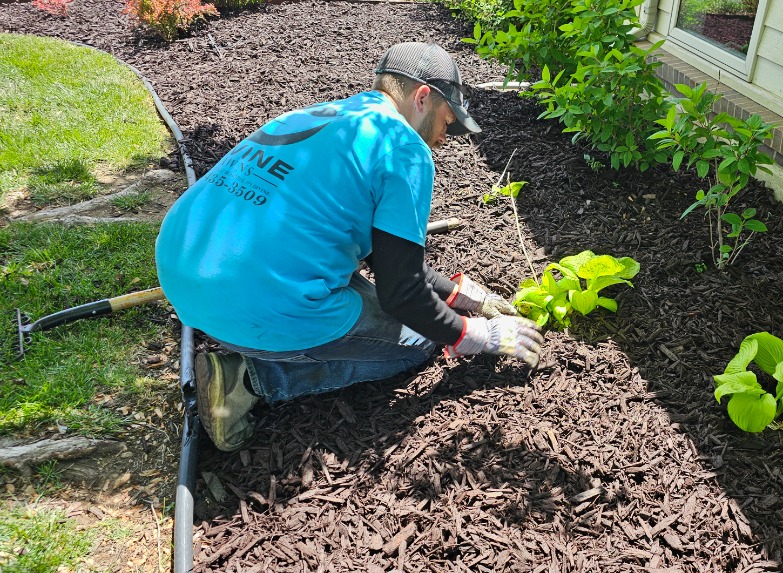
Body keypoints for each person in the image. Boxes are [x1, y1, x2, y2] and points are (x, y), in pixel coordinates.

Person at [155, 42, 544, 452]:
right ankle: (248, 378)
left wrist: (458, 294)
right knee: (420, 340)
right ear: (423, 97)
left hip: (186, 275)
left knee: (414, 309)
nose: (445, 139)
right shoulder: (404, 147)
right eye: (447, 122)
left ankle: (253, 338)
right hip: (251, 301)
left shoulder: (318, 115)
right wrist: (477, 333)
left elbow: (378, 252)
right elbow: (402, 294)